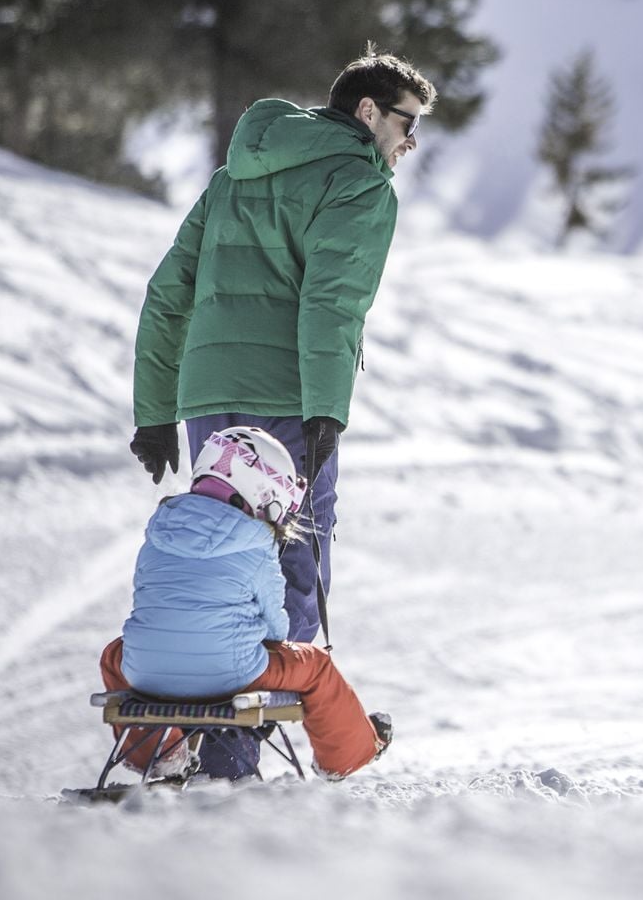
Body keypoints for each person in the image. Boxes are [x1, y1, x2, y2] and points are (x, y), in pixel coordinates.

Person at [127, 48, 432, 775]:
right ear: (367, 113)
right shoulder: (359, 182)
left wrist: (155, 410)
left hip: (209, 397)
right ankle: (234, 765)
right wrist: (327, 411)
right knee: (294, 562)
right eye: (406, 122)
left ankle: (183, 741)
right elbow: (332, 303)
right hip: (290, 402)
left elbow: (168, 292)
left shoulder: (235, 173)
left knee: (215, 550)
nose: (410, 142)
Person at [100, 426, 391, 780]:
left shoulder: (159, 531)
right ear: (262, 493)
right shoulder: (255, 541)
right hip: (230, 674)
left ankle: (161, 754)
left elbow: (149, 602)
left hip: (148, 672)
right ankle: (347, 755)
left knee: (116, 654)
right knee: (314, 664)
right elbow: (277, 627)